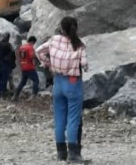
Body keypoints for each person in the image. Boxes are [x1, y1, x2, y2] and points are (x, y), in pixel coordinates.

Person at [36, 17, 88, 163]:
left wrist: (47, 63)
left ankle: (61, 154)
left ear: (62, 29)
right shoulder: (79, 45)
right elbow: (84, 64)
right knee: (73, 118)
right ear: (75, 29)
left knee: (59, 119)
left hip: (58, 82)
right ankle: (73, 154)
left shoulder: (54, 40)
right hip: (73, 83)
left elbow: (39, 50)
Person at [13, 35, 39, 100]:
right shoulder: (30, 47)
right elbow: (32, 57)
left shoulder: (21, 47)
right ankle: (34, 95)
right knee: (36, 80)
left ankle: (16, 95)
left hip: (23, 66)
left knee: (23, 82)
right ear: (32, 42)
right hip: (30, 67)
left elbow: (18, 57)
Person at [0, 33, 15, 99]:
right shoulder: (9, 45)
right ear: (8, 38)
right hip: (5, 65)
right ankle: (2, 95)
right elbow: (13, 53)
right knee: (4, 80)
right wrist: (8, 59)